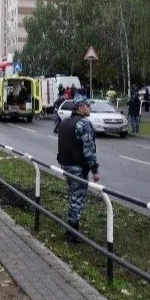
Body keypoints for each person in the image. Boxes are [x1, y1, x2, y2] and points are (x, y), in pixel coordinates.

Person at [57, 95, 99, 243]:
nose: (90, 108)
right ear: (81, 107)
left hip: (65, 165)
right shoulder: (84, 124)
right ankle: (72, 233)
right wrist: (95, 170)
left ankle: (72, 228)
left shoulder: (65, 122)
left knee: (74, 195)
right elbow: (89, 150)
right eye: (88, 105)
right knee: (77, 198)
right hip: (77, 167)